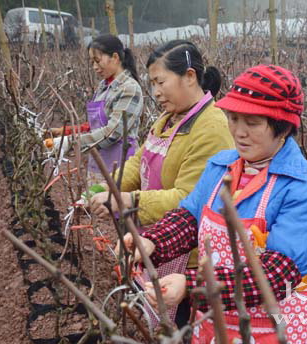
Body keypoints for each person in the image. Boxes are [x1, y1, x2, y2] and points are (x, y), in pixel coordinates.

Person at [124, 65, 307, 343]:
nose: (239, 132)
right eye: (233, 119)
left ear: (283, 128)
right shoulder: (221, 166)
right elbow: (190, 217)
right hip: (216, 323)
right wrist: (151, 243)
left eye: (252, 123)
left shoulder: (303, 188)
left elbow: (278, 274)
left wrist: (195, 286)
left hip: (274, 328)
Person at [89, 40, 234, 325]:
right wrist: (112, 187)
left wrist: (130, 201)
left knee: (184, 324)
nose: (155, 92)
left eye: (160, 82)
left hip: (188, 255)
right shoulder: (168, 119)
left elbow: (189, 198)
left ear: (189, 76)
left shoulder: (212, 128)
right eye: (152, 83)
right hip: (159, 241)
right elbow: (138, 161)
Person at [46, 34, 143, 183]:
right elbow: (96, 125)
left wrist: (71, 142)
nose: (94, 67)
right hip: (99, 162)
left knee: (113, 204)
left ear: (115, 57)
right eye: (92, 62)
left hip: (121, 167)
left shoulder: (129, 88)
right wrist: (66, 132)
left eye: (97, 61)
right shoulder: (103, 86)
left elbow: (113, 132)